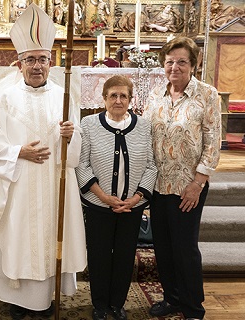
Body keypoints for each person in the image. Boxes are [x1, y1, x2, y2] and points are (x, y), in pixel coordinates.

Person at [0, 4, 87, 319]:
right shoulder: (3, 100)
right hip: (20, 184)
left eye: (42, 59)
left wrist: (72, 135)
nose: (37, 65)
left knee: (49, 237)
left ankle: (47, 298)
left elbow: (76, 148)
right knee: (19, 238)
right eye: (30, 59)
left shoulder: (65, 96)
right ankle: (18, 300)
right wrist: (18, 153)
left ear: (50, 62)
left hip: (54, 183)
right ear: (19, 63)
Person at [142, 37, 221, 320]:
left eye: (181, 62)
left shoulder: (207, 95)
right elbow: (145, 136)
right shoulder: (155, 95)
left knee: (185, 248)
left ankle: (192, 306)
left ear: (193, 65)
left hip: (188, 185)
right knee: (162, 246)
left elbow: (212, 142)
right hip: (158, 184)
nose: (175, 67)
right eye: (170, 62)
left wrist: (198, 183)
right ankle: (171, 298)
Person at [75, 75, 157, 320]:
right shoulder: (89, 124)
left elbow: (152, 166)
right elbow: (82, 165)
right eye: (113, 95)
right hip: (99, 205)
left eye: (123, 96)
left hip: (132, 206)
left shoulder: (144, 126)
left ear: (130, 100)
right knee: (99, 256)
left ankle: (117, 303)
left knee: (124, 256)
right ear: (104, 99)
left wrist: (135, 198)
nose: (118, 100)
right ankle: (100, 305)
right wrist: (103, 197)